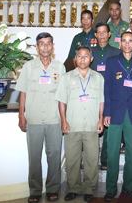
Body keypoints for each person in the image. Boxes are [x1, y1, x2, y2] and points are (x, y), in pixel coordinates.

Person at [16, 32, 65, 203]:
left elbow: (63, 95)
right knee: (34, 156)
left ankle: (53, 188)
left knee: (54, 155)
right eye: (42, 44)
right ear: (37, 47)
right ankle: (35, 190)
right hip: (34, 119)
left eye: (48, 43)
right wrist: (21, 115)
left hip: (54, 119)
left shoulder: (60, 67)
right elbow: (23, 93)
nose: (45, 47)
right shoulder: (28, 67)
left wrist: (64, 119)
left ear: (52, 46)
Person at [55, 46, 104, 202]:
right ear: (75, 59)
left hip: (91, 125)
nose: (83, 59)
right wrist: (63, 121)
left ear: (91, 59)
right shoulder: (66, 78)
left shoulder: (98, 78)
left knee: (91, 158)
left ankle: (89, 188)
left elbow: (102, 101)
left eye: (86, 56)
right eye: (79, 56)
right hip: (72, 125)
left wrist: (100, 119)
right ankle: (74, 188)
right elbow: (62, 101)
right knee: (72, 159)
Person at [103, 32, 132, 201]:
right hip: (115, 112)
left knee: (131, 152)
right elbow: (107, 89)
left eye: (131, 41)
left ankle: (129, 186)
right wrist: (106, 112)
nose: (127, 44)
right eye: (124, 41)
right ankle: (110, 188)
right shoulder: (112, 62)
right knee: (112, 152)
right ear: (120, 44)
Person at [90, 22, 121, 169]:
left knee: (108, 127)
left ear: (109, 34)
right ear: (95, 35)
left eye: (104, 32)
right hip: (91, 95)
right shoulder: (89, 52)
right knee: (92, 125)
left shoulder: (116, 52)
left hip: (110, 95)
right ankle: (90, 159)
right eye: (99, 32)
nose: (102, 35)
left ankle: (105, 159)